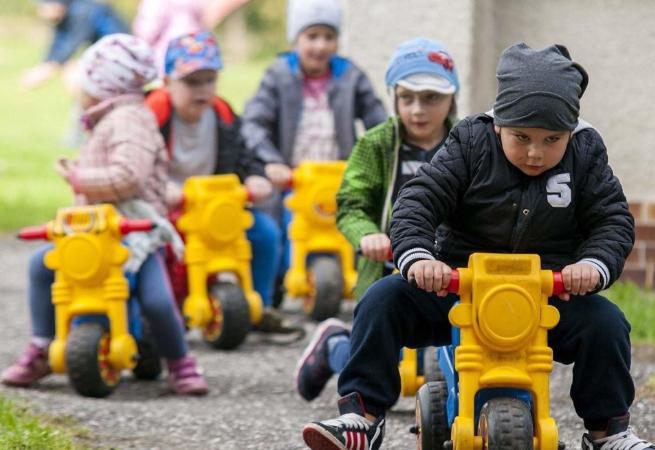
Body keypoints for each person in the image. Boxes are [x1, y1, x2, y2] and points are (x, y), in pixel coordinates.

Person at [302, 43, 655, 450]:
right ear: (498, 125)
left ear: (571, 133)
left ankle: (607, 431)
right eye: (521, 137)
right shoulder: (470, 143)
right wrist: (419, 257)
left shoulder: (585, 152)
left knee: (607, 325)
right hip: (458, 291)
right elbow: (418, 199)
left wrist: (593, 265)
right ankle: (362, 416)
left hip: (545, 296)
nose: (536, 152)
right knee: (382, 300)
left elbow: (612, 219)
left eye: (552, 139)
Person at [2, 34, 208, 396]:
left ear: (103, 85)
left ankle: (180, 362)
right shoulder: (110, 118)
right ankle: (41, 345)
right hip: (94, 234)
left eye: (85, 80)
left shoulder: (130, 120)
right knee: (42, 266)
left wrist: (82, 178)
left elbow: (129, 177)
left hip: (134, 232)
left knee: (157, 300)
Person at [294, 37, 460, 402]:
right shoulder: (377, 144)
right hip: (386, 262)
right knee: (373, 354)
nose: (418, 109)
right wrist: (367, 234)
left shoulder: (467, 145)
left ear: (451, 99)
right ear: (394, 97)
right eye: (407, 98)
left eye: (431, 98)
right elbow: (351, 203)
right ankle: (334, 347)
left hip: (450, 267)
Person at [241, 0, 386, 299]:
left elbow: (376, 118)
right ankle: (276, 287)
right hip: (293, 175)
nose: (320, 46)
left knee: (358, 218)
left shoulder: (349, 75)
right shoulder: (279, 74)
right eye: (312, 36)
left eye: (328, 37)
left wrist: (377, 153)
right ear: (296, 38)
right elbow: (253, 123)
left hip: (337, 174)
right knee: (280, 223)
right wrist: (271, 162)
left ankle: (363, 283)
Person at [144, 31, 286, 332]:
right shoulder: (155, 112)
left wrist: (255, 177)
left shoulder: (220, 112)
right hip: (169, 206)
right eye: (192, 82)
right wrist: (158, 187)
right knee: (166, 250)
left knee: (264, 234)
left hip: (216, 208)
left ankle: (259, 304)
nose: (202, 90)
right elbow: (138, 160)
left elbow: (244, 152)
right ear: (167, 83)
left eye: (209, 80)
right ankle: (167, 311)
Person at [22, 0, 128, 89]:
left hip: (121, 55)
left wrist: (47, 70)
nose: (40, 11)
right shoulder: (65, 13)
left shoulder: (81, 11)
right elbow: (58, 42)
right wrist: (45, 64)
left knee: (74, 72)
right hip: (105, 52)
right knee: (71, 68)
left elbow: (73, 42)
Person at [133, 0, 252, 76]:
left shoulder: (154, 3)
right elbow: (208, 17)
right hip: (198, 53)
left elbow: (147, 31)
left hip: (168, 59)